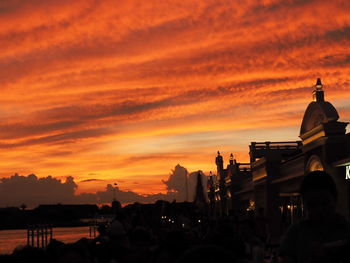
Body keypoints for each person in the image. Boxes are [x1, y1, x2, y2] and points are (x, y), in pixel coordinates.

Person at [279, 171, 350, 263]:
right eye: (312, 204)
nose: (319, 210)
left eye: (324, 203)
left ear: (335, 199)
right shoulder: (294, 235)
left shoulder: (347, 230)